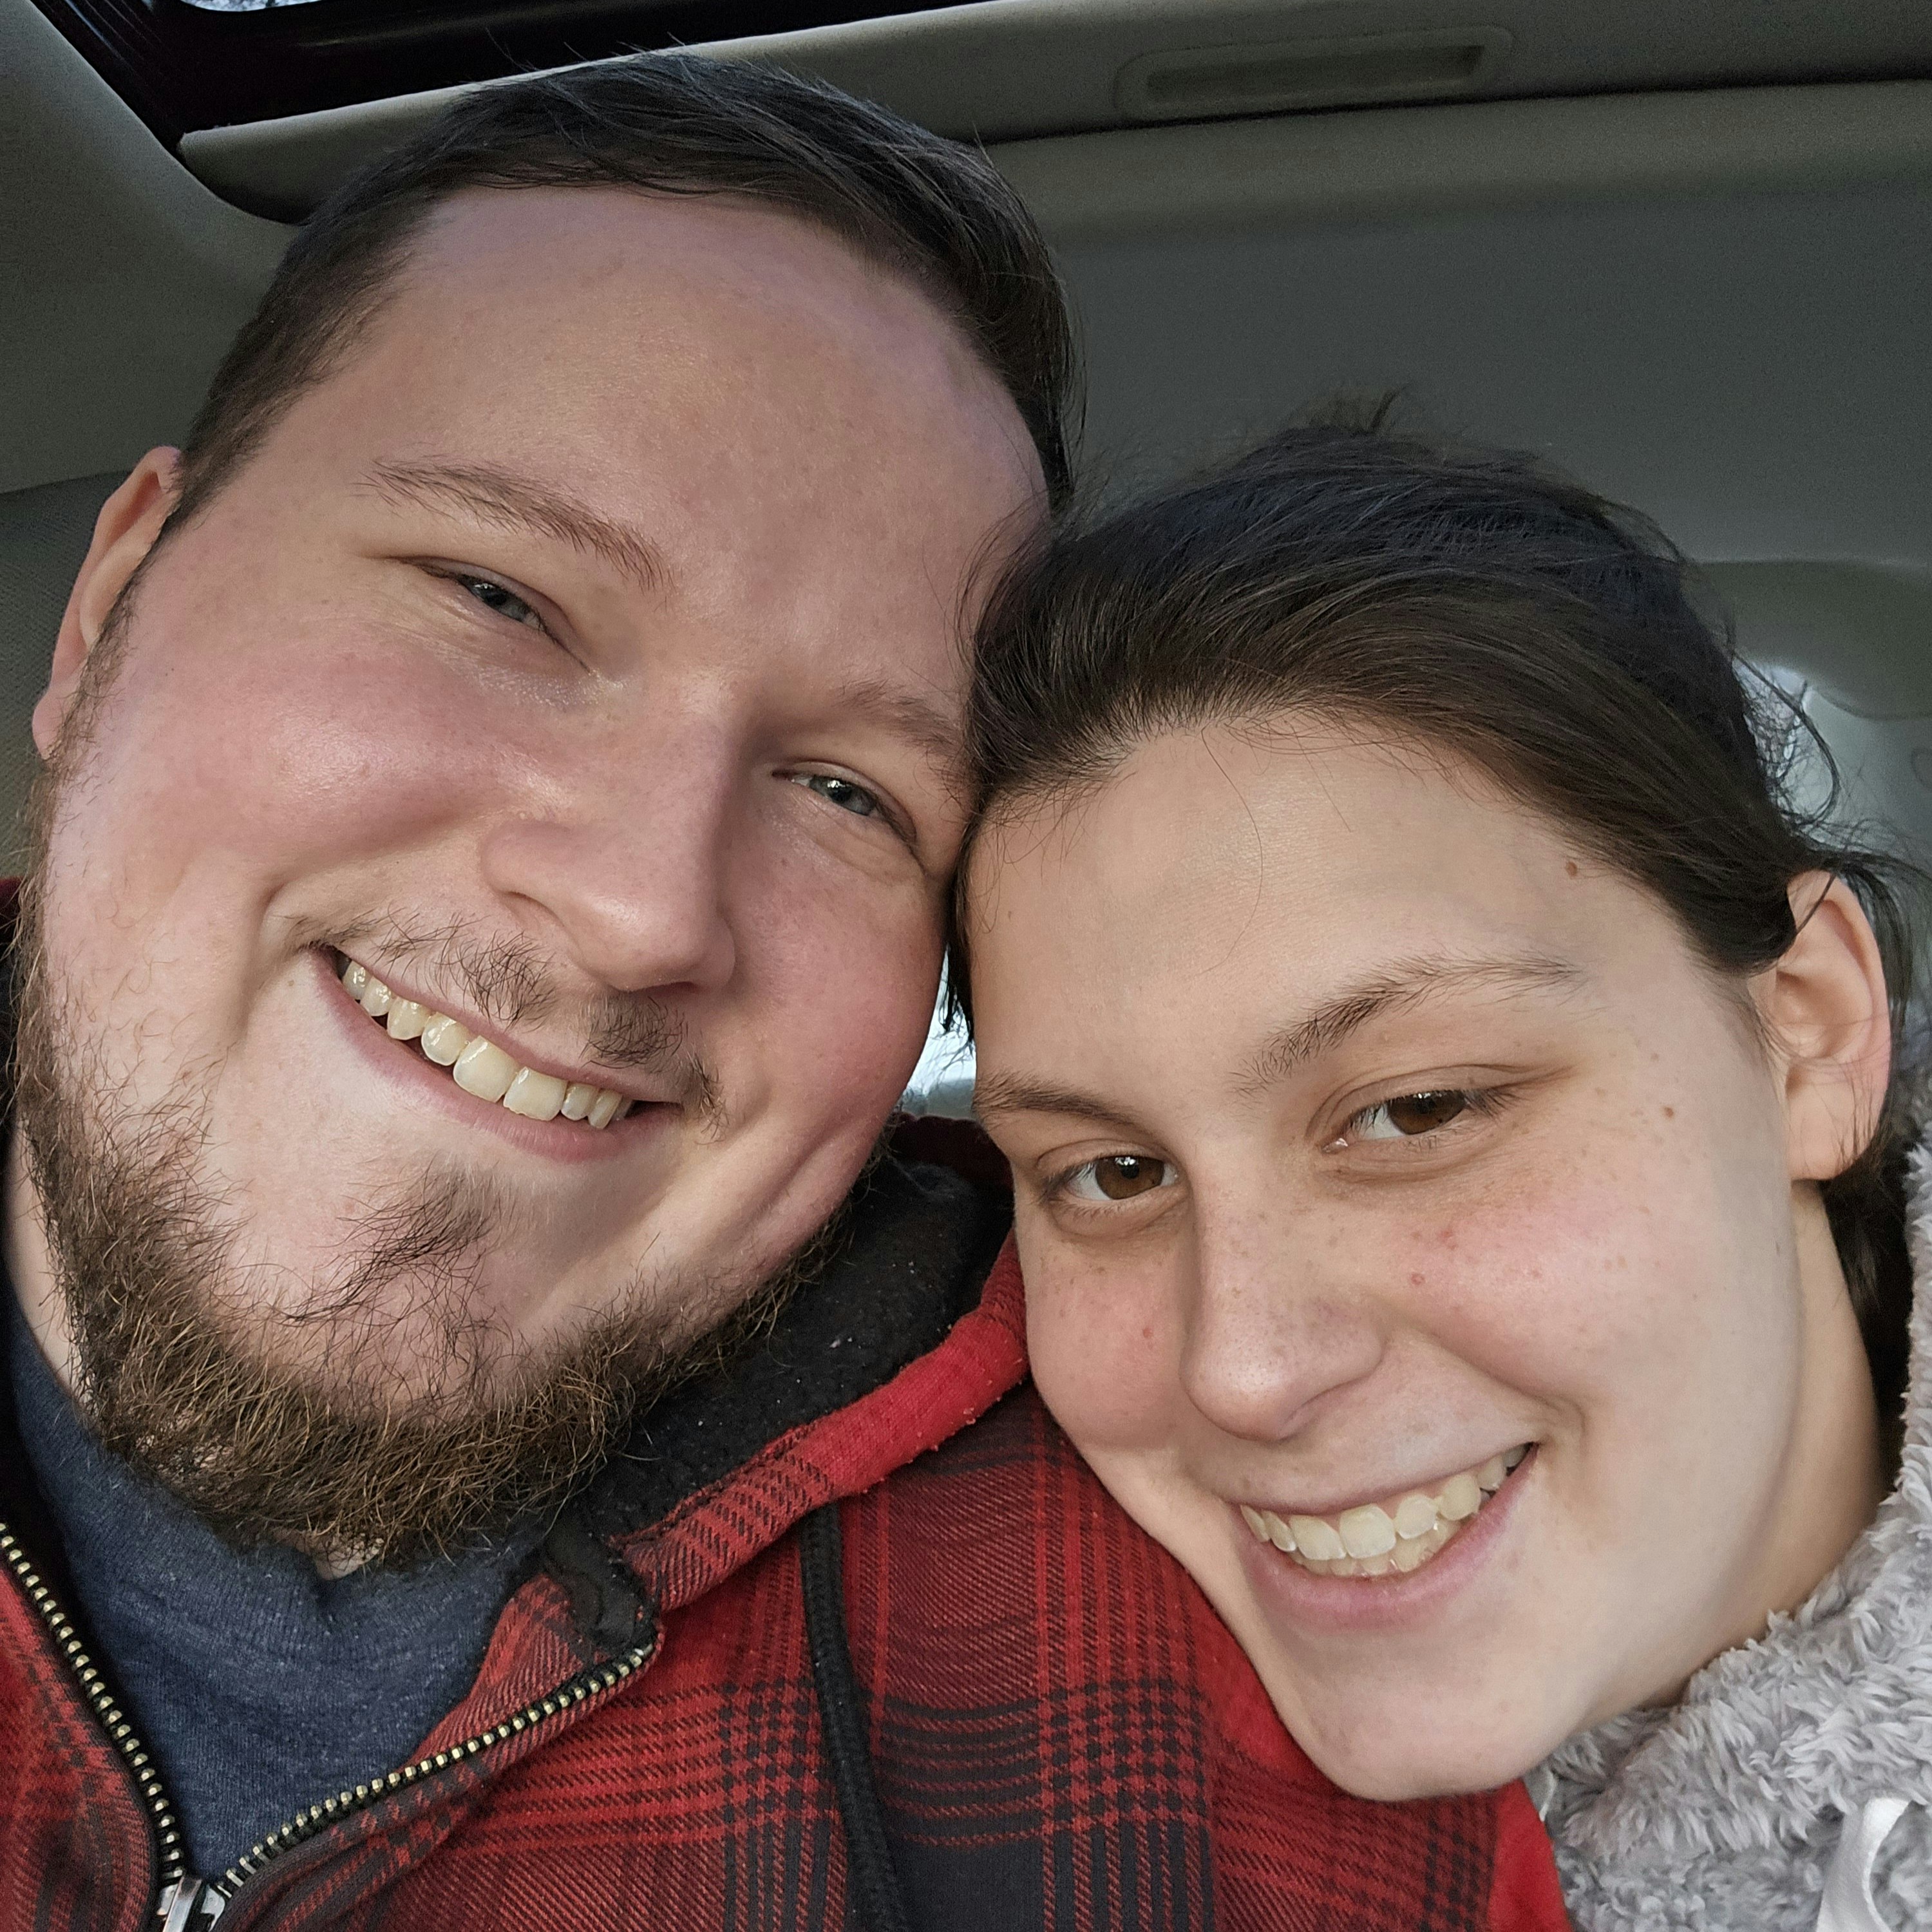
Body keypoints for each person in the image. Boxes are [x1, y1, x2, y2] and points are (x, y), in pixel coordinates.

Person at [0, 60, 1558, 1932]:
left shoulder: (1274, 1713)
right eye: (500, 598)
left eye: (848, 793)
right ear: (111, 607)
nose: (638, 912)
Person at [961, 420, 1931, 1932]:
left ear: (1809, 1035)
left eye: (1417, 1112)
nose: (1246, 1370)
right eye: (1115, 1173)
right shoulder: (987, 1762)